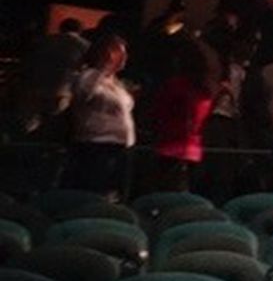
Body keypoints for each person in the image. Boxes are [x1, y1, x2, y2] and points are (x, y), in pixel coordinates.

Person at [61, 32, 136, 196]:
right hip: (96, 145)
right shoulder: (89, 76)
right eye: (118, 52)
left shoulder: (116, 82)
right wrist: (103, 67)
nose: (124, 57)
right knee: (93, 191)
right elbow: (84, 93)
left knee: (112, 192)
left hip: (119, 146)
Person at [144, 37, 219, 195]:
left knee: (165, 198)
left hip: (171, 148)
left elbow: (159, 112)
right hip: (194, 150)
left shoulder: (177, 86)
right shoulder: (207, 90)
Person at [13, 14, 87, 137]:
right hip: (61, 91)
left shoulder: (43, 41)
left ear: (61, 28)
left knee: (29, 127)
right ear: (80, 30)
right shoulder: (83, 45)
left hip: (34, 88)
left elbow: (28, 62)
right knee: (53, 127)